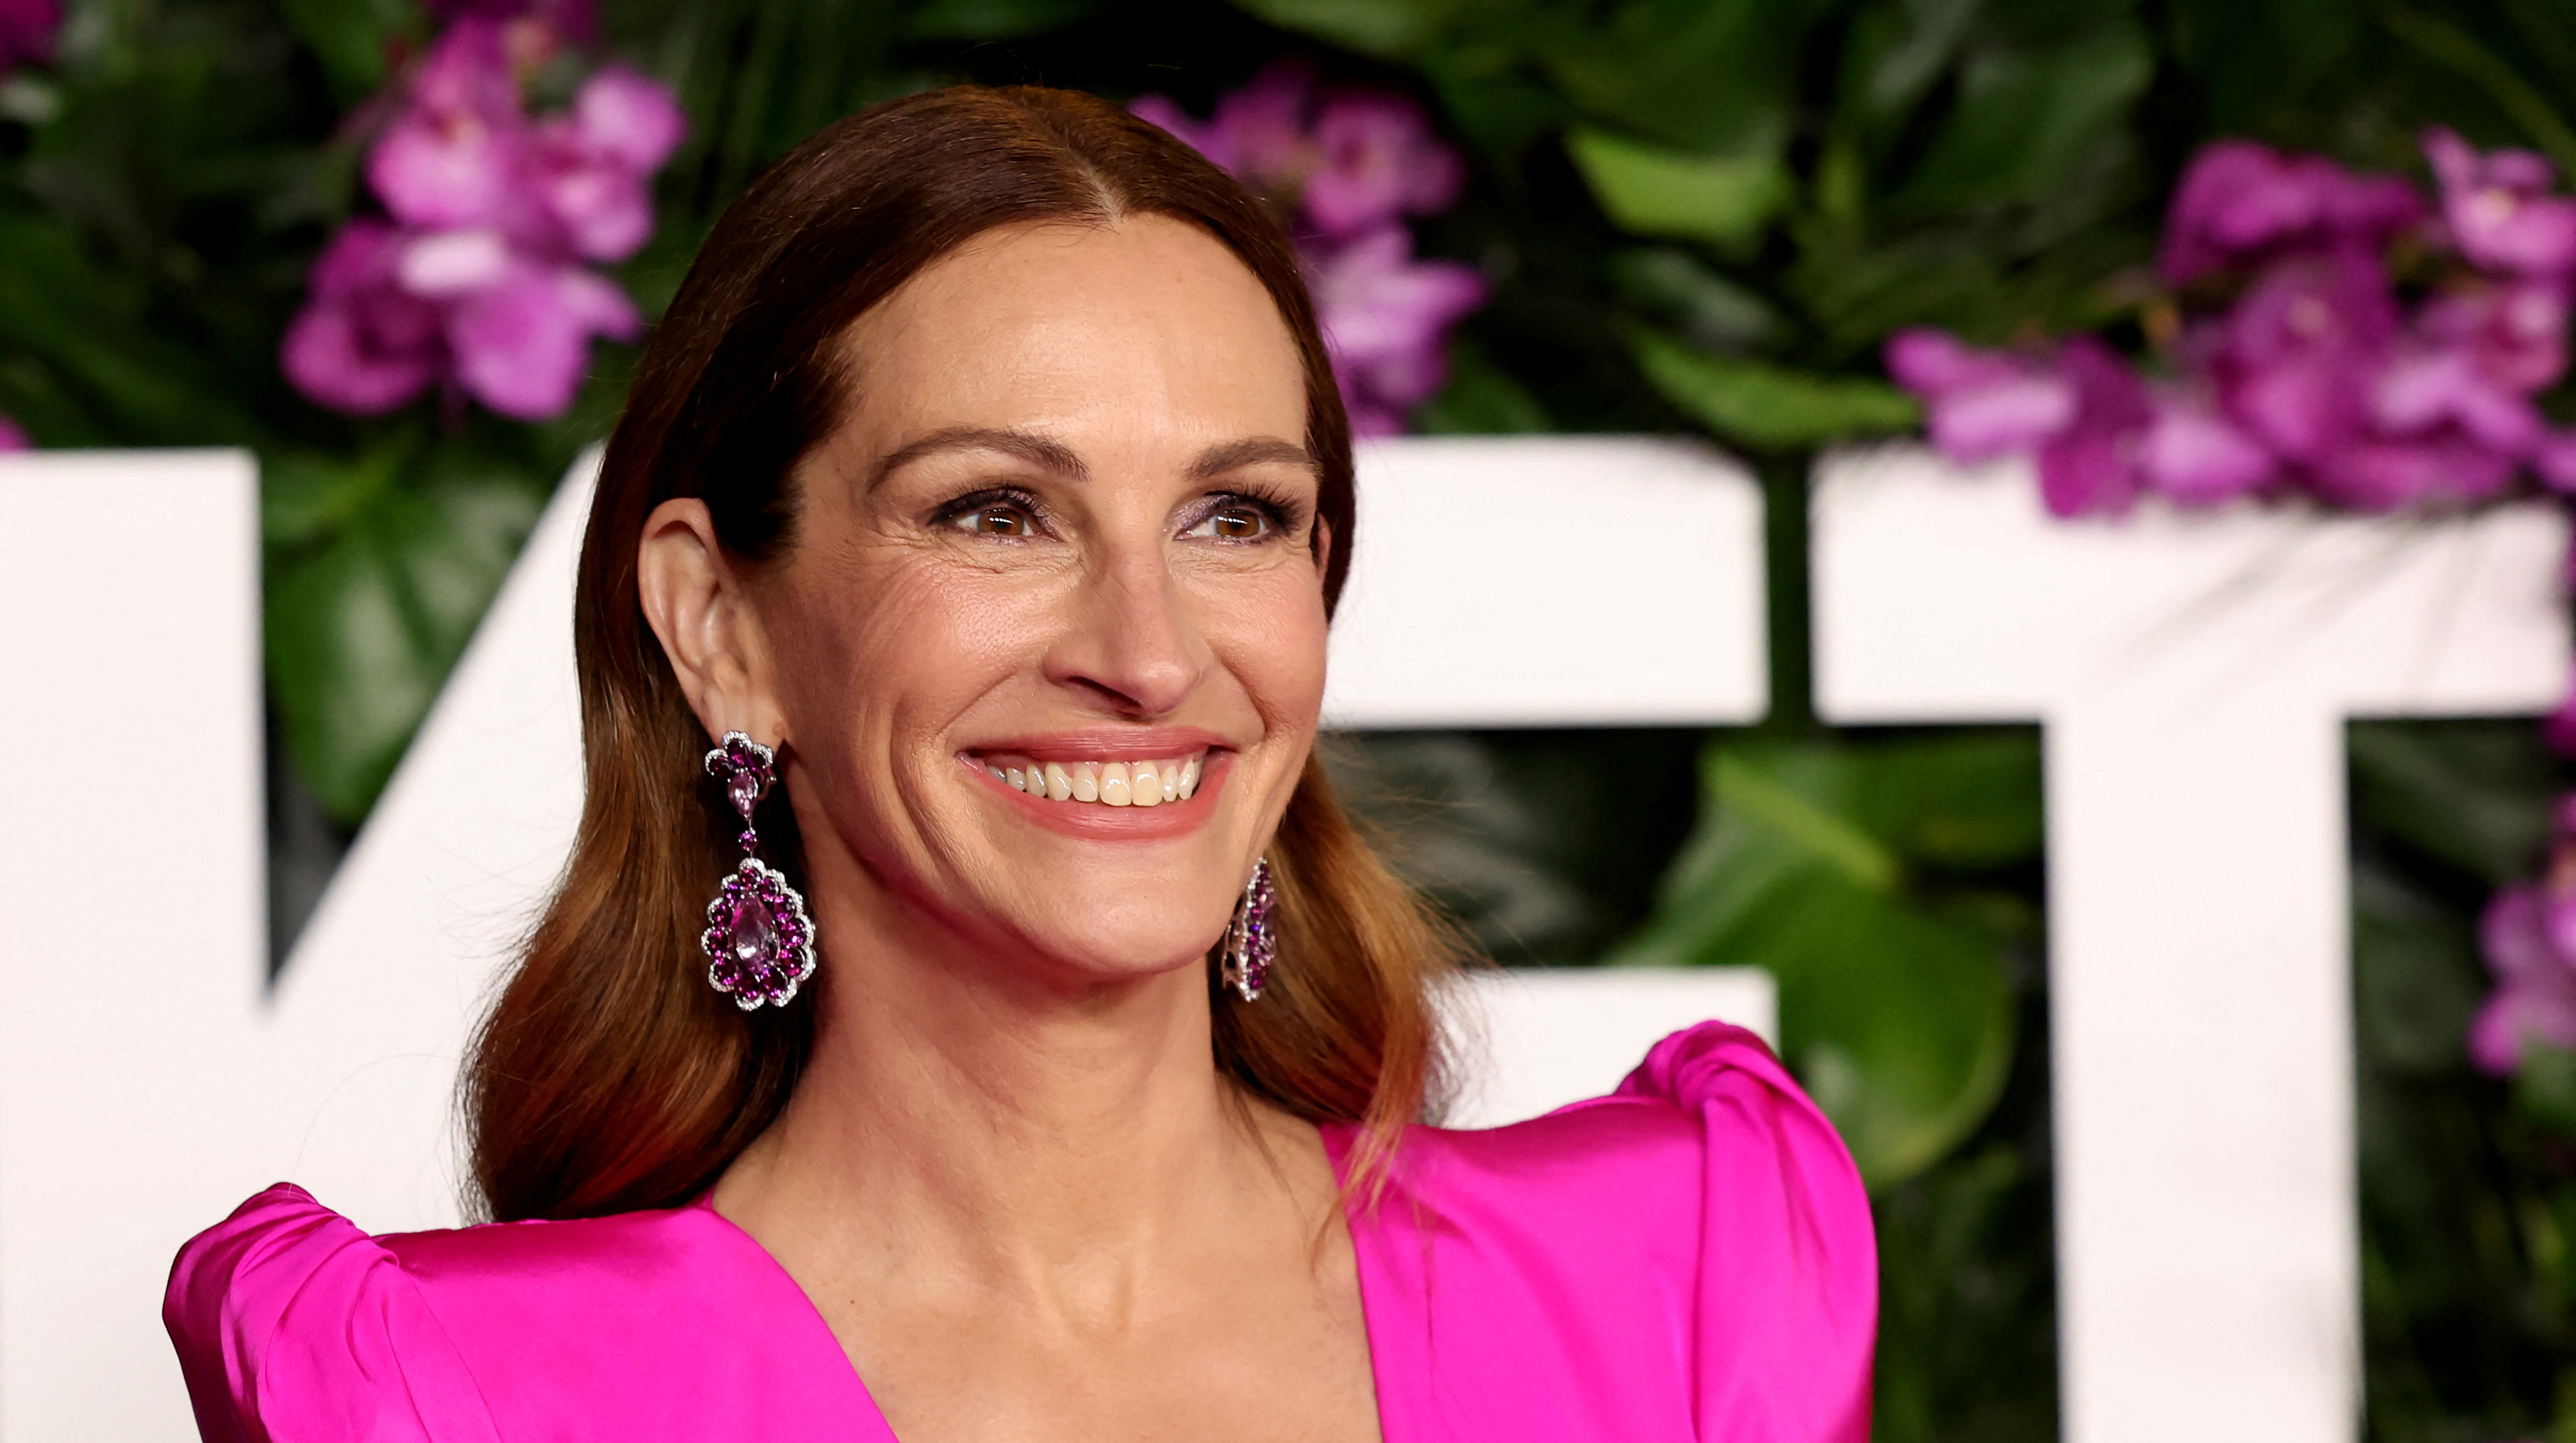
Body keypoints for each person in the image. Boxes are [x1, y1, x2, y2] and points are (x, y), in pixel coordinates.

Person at [164, 84, 1875, 1442]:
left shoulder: (1682, 1277)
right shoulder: (451, 1400)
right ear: (719, 623)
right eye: (996, 511)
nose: (1144, 653)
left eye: (1235, 516)